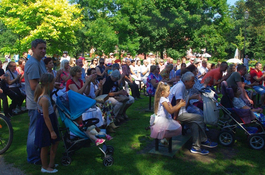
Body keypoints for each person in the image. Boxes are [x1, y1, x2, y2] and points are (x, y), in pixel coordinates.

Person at [169, 72, 217, 155]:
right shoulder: (180, 87)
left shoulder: (185, 88)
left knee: (194, 123)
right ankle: (204, 139)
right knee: (199, 118)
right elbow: (177, 103)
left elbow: (185, 105)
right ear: (186, 81)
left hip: (181, 111)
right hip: (173, 113)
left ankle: (196, 147)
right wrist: (175, 118)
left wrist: (191, 97)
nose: (193, 83)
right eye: (192, 81)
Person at [24, 39, 47, 164]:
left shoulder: (40, 62)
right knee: (34, 131)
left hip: (40, 102)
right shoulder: (33, 63)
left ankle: (39, 153)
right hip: (35, 104)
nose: (43, 50)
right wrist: (48, 86)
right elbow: (34, 86)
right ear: (33, 49)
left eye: (44, 48)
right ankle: (33, 157)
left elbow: (41, 81)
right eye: (40, 48)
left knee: (38, 130)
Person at [34, 74, 60, 173]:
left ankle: (51, 163)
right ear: (48, 84)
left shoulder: (47, 96)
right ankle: (44, 167)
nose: (54, 84)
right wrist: (52, 131)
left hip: (50, 119)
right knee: (45, 146)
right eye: (53, 83)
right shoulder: (44, 99)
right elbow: (45, 116)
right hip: (46, 123)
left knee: (55, 142)